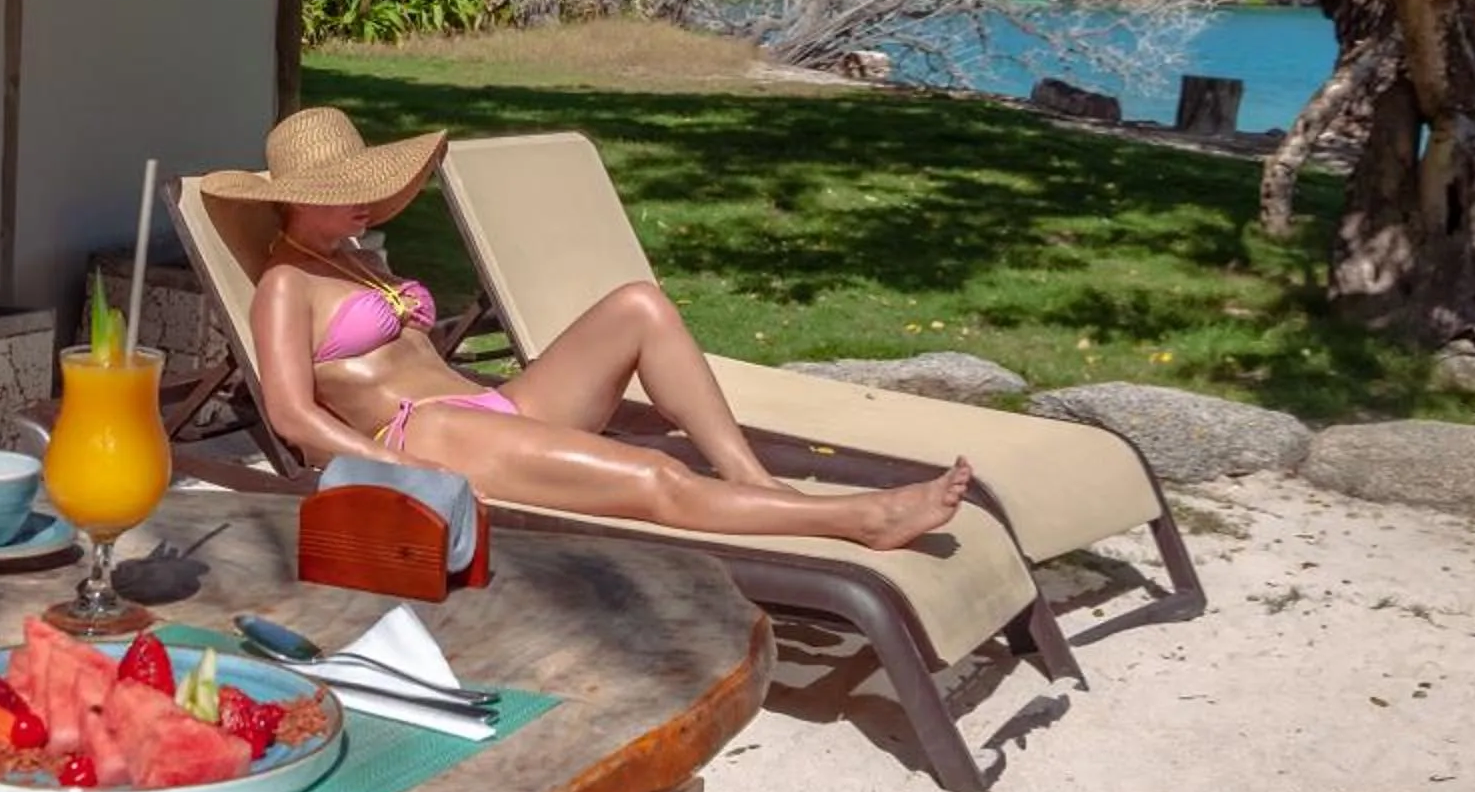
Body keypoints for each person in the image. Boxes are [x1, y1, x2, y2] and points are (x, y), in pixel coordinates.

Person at [200, 108, 970, 552]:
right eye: (341, 192)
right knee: (653, 477)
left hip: (493, 410)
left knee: (639, 304)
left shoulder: (359, 259)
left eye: (363, 186)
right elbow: (290, 415)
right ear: (294, 200)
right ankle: (861, 519)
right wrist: (399, 469)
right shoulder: (285, 285)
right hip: (431, 438)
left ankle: (750, 478)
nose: (363, 202)